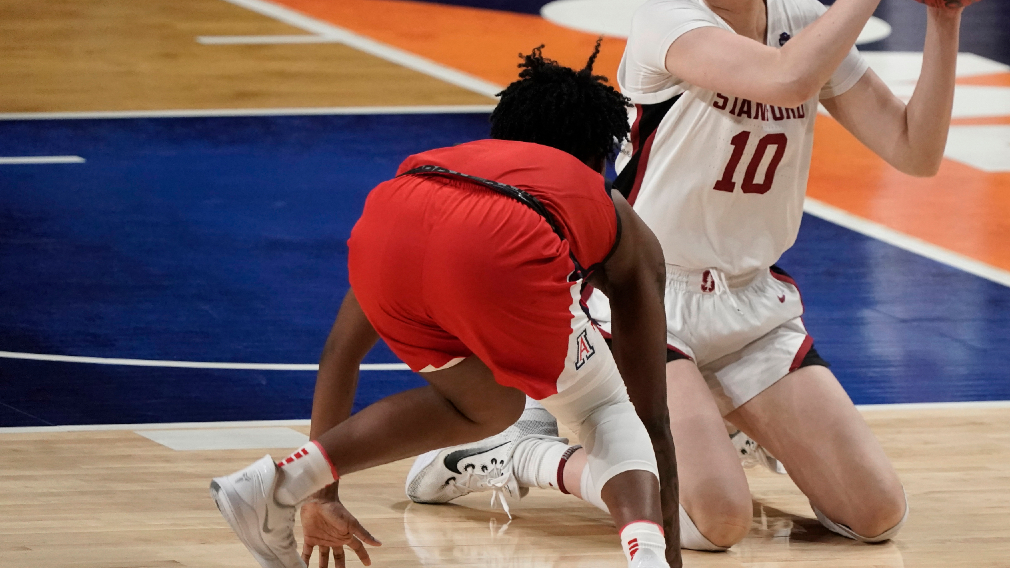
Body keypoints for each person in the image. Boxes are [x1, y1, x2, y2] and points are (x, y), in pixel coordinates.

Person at [405, 0, 963, 552]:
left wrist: (945, 15)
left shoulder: (805, 23)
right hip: (644, 300)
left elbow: (916, 150)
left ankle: (720, 423)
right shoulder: (667, 20)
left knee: (875, 516)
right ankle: (522, 454)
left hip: (750, 306)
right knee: (711, 524)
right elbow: (786, 81)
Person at [209, 46, 681, 568]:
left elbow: (341, 351)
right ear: (598, 160)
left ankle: (282, 483)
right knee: (606, 411)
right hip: (507, 241)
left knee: (488, 407)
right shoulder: (601, 201)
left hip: (392, 214)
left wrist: (323, 498)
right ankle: (650, 560)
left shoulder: (457, 164)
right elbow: (652, 415)